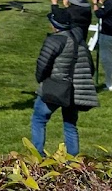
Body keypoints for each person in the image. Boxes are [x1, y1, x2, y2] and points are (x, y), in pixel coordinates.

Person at [30, 11, 99, 156]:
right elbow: (90, 67)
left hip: (55, 87)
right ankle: (72, 160)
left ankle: (37, 156)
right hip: (75, 90)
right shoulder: (79, 40)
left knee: (39, 119)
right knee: (70, 124)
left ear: (55, 25)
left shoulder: (54, 41)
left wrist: (41, 80)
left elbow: (43, 65)